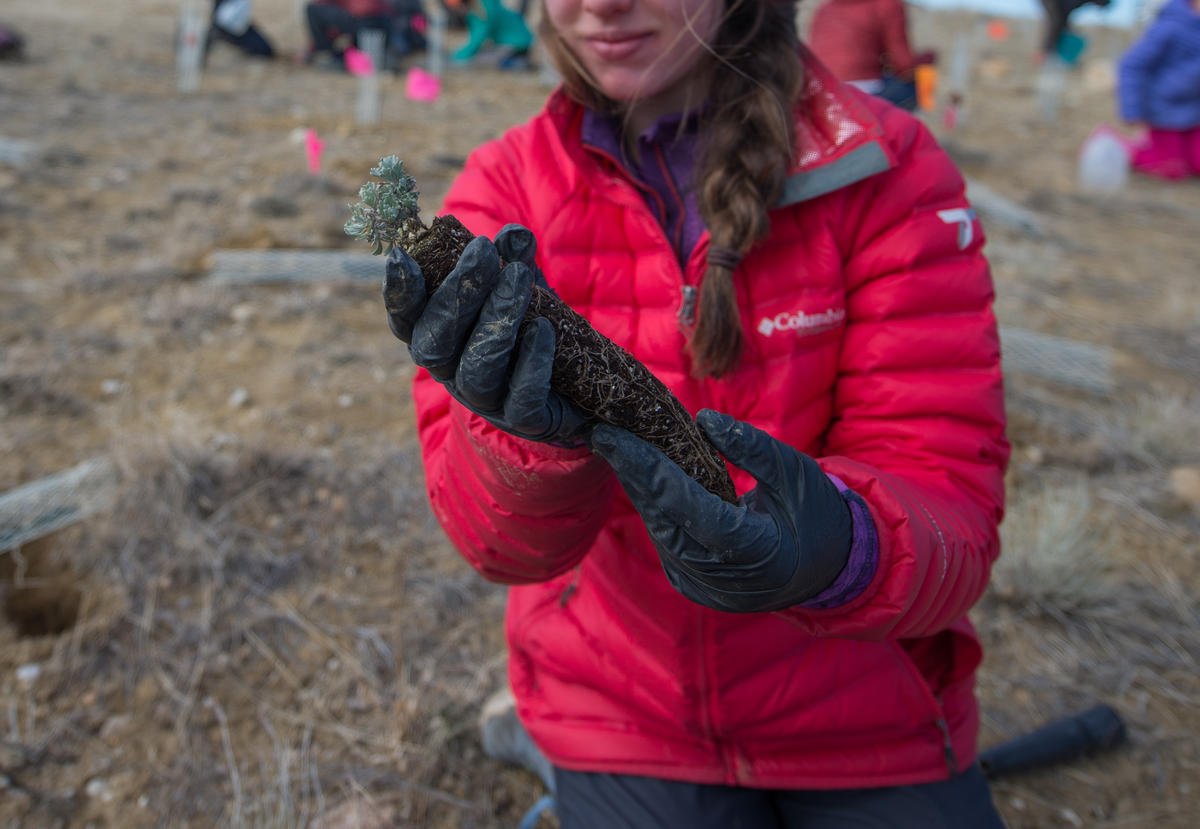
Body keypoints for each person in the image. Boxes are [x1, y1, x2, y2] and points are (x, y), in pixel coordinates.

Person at [382, 0, 1010, 825]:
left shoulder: (884, 169)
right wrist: (514, 441)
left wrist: (840, 548)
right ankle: (535, 742)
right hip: (623, 703)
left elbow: (949, 499)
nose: (601, 5)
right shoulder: (504, 188)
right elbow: (495, 543)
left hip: (861, 703)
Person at [1116, 0, 1200, 180]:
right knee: (1170, 169)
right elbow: (1132, 66)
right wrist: (1133, 109)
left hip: (1195, 114)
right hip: (1165, 112)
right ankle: (1121, 147)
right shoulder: (1170, 27)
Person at [807, 0, 935, 110]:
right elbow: (905, 66)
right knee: (915, 86)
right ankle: (882, 134)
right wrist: (928, 59)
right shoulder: (886, 4)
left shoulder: (825, 8)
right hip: (863, 92)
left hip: (820, 93)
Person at [303, 0, 393, 69]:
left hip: (365, 22)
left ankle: (327, 53)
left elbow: (362, 9)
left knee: (313, 10)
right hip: (382, 23)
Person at [1037, 0, 1112, 63]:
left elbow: (1064, 13)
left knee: (1060, 23)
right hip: (1056, 7)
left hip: (1062, 10)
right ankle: (1046, 52)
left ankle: (1051, 51)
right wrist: (1045, 49)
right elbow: (1056, 19)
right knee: (1056, 20)